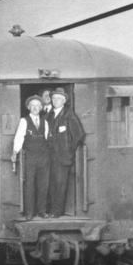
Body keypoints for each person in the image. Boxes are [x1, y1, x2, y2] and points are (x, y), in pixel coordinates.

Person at [45, 87, 85, 218]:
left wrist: (68, 150)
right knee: (51, 184)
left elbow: (79, 135)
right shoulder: (48, 115)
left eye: (58, 98)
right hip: (50, 157)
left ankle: (58, 211)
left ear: (63, 101)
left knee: (60, 184)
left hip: (63, 158)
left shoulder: (69, 115)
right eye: (54, 98)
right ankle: (51, 210)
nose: (55, 100)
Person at [12, 95, 50, 220]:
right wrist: (15, 152)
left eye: (37, 106)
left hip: (43, 157)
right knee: (30, 185)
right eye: (32, 106)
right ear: (28, 107)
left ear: (41, 108)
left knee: (43, 185)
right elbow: (19, 138)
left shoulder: (45, 121)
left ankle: (42, 211)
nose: (35, 108)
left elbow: (47, 139)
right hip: (30, 157)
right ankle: (29, 212)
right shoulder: (24, 121)